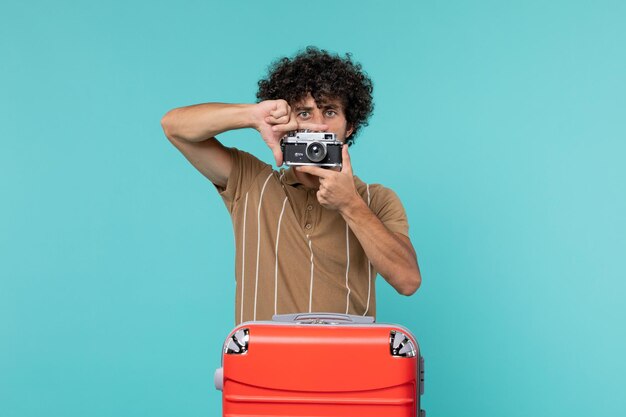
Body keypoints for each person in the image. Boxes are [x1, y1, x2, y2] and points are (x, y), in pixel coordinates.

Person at [161, 47, 421, 324]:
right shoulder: (251, 182)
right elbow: (174, 126)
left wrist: (350, 204)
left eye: (330, 112)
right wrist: (252, 116)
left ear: (350, 126)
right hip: (263, 362)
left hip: (343, 362)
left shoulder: (376, 199)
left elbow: (408, 281)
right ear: (286, 124)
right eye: (305, 114)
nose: (318, 127)